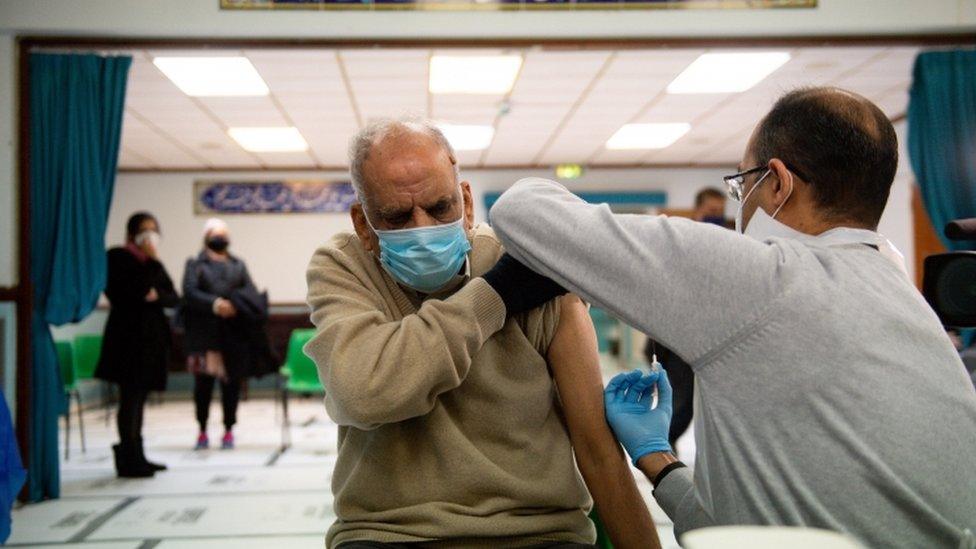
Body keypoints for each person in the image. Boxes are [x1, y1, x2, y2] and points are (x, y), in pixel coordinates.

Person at [489, 87, 976, 548]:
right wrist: (657, 459)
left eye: (745, 183)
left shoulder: (762, 277)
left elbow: (521, 211)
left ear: (779, 183)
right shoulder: (911, 302)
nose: (741, 203)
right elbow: (740, 528)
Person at [304, 119, 658, 549]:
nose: (422, 229)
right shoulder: (344, 268)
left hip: (538, 533)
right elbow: (363, 392)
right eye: (396, 217)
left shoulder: (529, 265)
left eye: (439, 208)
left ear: (467, 202)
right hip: (389, 533)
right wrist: (494, 297)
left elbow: (598, 452)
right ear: (362, 223)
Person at [643, 186, 729, 450]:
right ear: (698, 211)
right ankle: (660, 446)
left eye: (720, 212)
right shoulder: (680, 242)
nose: (716, 216)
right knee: (682, 400)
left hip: (707, 336)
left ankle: (665, 445)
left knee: (691, 403)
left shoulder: (725, 247)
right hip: (676, 336)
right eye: (711, 211)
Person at [96, 212, 179, 478]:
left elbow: (171, 297)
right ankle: (127, 459)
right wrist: (151, 291)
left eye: (154, 230)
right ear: (132, 234)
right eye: (145, 230)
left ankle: (139, 454)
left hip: (151, 343)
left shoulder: (153, 262)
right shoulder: (118, 257)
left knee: (140, 399)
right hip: (127, 342)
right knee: (129, 399)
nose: (150, 235)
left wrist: (154, 290)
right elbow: (133, 292)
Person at [182, 218, 260, 451]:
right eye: (216, 233)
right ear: (207, 237)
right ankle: (202, 430)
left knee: (231, 386)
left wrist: (235, 305)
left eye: (223, 233)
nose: (220, 237)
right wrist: (215, 304)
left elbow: (250, 291)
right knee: (203, 387)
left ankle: (228, 430)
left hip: (232, 336)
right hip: (204, 336)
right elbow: (189, 292)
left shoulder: (238, 264)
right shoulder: (195, 264)